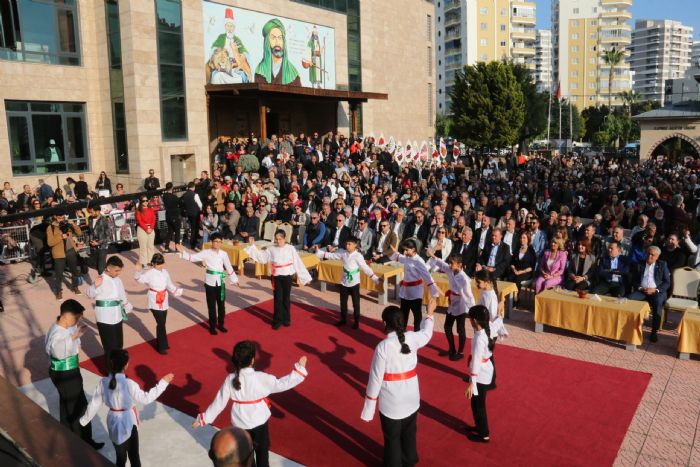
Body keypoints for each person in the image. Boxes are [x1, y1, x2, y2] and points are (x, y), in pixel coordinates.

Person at [193, 341, 308, 467]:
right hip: (259, 422)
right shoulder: (261, 377)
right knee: (262, 453)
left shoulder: (230, 379)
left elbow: (219, 403)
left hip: (240, 423)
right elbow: (282, 384)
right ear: (252, 360)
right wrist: (299, 370)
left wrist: (203, 419)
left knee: (244, 455)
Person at [360, 300, 437, 466]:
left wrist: (369, 406)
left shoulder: (383, 346)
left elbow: (375, 378)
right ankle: (410, 460)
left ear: (385, 323)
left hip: (391, 400)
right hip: (411, 395)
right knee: (409, 432)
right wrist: (430, 313)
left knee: (392, 437)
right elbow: (426, 333)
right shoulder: (412, 337)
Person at [80, 349, 174, 467]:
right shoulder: (128, 383)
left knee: (120, 457)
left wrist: (84, 421)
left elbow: (94, 404)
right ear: (126, 365)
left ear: (111, 362)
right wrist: (163, 383)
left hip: (113, 420)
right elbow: (146, 398)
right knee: (134, 456)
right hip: (128, 421)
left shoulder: (103, 382)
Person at [46, 299, 104, 450]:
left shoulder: (62, 327)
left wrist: (74, 335)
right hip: (66, 374)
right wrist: (73, 338)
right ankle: (83, 442)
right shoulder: (58, 333)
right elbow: (58, 351)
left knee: (67, 405)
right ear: (66, 315)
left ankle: (69, 434)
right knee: (79, 407)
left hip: (65, 372)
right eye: (76, 317)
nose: (78, 320)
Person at [245, 230, 312, 329]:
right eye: (276, 239)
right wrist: (252, 246)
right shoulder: (271, 248)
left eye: (280, 239)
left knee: (286, 298)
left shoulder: (290, 248)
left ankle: (286, 319)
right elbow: (261, 257)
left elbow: (298, 262)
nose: (278, 241)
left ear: (284, 239)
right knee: (278, 298)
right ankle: (277, 320)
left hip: (287, 275)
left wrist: (305, 277)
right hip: (276, 276)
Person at [176, 233, 239, 335]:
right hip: (210, 283)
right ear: (212, 242)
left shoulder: (223, 254)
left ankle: (221, 324)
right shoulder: (206, 252)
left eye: (219, 242)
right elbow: (193, 257)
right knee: (211, 306)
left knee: (221, 305)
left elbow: (228, 267)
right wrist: (182, 251)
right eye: (215, 241)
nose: (217, 244)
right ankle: (212, 326)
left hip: (221, 282)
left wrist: (234, 279)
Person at [317, 237, 380, 328]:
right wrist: (319, 252)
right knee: (343, 302)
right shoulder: (343, 253)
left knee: (355, 303)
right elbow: (332, 256)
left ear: (355, 245)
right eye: (346, 244)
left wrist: (375, 278)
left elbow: (365, 268)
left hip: (354, 282)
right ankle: (343, 319)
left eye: (350, 244)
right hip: (344, 282)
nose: (347, 246)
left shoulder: (358, 256)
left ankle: (356, 321)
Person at [427, 251, 475, 360]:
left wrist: (473, 309)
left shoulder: (464, 279)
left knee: (460, 328)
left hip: (462, 303)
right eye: (450, 263)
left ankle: (461, 352)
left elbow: (468, 295)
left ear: (459, 264)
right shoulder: (450, 269)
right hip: (452, 301)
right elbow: (441, 264)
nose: (450, 265)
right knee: (447, 326)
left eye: (452, 263)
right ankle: (452, 349)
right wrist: (433, 255)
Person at [85, 256, 132, 365]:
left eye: (120, 270)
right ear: (108, 268)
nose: (118, 273)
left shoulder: (118, 280)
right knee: (109, 346)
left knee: (119, 344)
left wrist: (126, 305)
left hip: (117, 316)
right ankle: (111, 371)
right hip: (105, 318)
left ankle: (119, 367)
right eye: (116, 270)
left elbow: (122, 295)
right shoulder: (100, 279)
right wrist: (95, 286)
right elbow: (88, 294)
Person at [133, 254, 183, 354]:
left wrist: (177, 291)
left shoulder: (165, 272)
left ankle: (162, 343)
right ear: (153, 263)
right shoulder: (149, 273)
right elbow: (139, 279)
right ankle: (162, 346)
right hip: (154, 300)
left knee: (162, 322)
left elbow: (169, 284)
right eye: (158, 264)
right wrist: (138, 271)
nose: (160, 266)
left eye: (161, 264)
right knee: (160, 323)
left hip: (164, 299)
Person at [387, 239, 440, 330]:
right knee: (403, 313)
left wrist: (434, 290)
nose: (405, 252)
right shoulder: (406, 258)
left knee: (417, 314)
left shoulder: (419, 261)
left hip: (416, 292)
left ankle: (417, 331)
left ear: (413, 249)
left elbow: (427, 276)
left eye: (407, 250)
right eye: (404, 250)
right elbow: (399, 257)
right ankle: (402, 331)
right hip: (405, 291)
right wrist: (395, 252)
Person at [464, 304, 497, 443]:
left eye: (470, 318)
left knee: (478, 405)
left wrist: (472, 382)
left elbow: (477, 361)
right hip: (486, 369)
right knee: (477, 403)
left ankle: (484, 434)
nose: (469, 321)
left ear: (475, 321)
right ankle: (479, 426)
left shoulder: (479, 339)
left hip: (481, 375)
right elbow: (498, 323)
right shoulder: (487, 330)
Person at [628, 246, 671, 343]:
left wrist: (655, 290)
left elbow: (667, 282)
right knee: (629, 299)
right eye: (648, 254)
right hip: (642, 291)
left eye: (652, 255)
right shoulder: (639, 264)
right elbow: (634, 281)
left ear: (657, 257)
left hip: (656, 292)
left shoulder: (662, 265)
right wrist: (640, 288)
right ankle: (630, 327)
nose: (649, 256)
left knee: (657, 303)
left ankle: (654, 331)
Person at [254, 19, 301, 86]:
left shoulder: (293, 74)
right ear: (267, 42)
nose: (277, 42)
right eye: (273, 38)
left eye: (280, 38)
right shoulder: (260, 71)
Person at [47, 213, 82, 299]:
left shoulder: (67, 224)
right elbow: (50, 242)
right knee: (59, 274)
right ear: (55, 216)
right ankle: (59, 291)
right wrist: (61, 237)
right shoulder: (50, 227)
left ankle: (75, 287)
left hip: (70, 251)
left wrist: (73, 224)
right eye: (59, 217)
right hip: (59, 254)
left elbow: (79, 233)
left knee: (74, 271)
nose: (61, 219)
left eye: (63, 217)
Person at [474, 269, 508, 340]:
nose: (476, 284)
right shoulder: (484, 291)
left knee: (483, 350)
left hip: (488, 331)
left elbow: (493, 316)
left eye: (478, 282)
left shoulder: (491, 297)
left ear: (487, 282)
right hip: (482, 326)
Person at [86, 206, 111, 275]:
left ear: (98, 211)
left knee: (101, 269)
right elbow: (89, 232)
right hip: (92, 247)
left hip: (103, 247)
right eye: (89, 212)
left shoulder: (105, 220)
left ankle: (104, 283)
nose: (90, 214)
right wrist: (86, 243)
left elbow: (108, 236)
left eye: (92, 212)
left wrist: (98, 243)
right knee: (95, 266)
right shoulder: (90, 219)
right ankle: (108, 274)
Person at [135, 196, 156, 267]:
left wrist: (151, 228)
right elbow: (139, 221)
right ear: (141, 202)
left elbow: (154, 219)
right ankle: (144, 262)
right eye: (143, 201)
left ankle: (151, 261)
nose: (145, 202)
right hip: (142, 229)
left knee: (151, 246)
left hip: (151, 229)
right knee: (143, 247)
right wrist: (146, 228)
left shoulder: (151, 209)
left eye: (146, 200)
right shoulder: (138, 211)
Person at [182, 182, 203, 250]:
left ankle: (193, 242)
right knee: (195, 229)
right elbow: (200, 205)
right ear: (193, 187)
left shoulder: (184, 194)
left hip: (189, 213)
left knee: (192, 228)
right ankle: (193, 243)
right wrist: (200, 210)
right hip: (195, 213)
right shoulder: (195, 194)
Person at [161, 182, 182, 252]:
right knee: (177, 232)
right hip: (175, 216)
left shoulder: (164, 196)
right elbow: (179, 203)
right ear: (172, 188)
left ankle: (166, 247)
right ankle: (177, 247)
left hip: (168, 216)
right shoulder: (174, 197)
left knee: (169, 232)